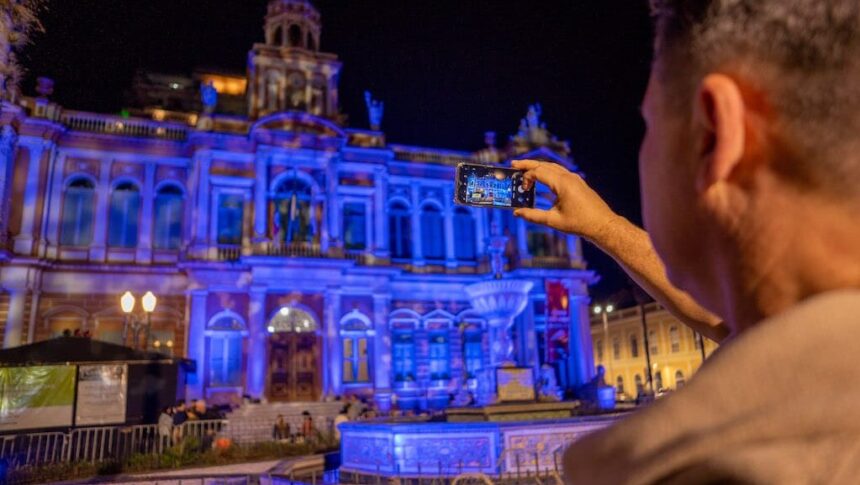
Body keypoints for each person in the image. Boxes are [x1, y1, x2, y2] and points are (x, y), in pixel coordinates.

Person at [513, 1, 860, 482]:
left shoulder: (712, 467)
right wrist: (605, 228)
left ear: (715, 135)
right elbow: (732, 323)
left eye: (650, 125)